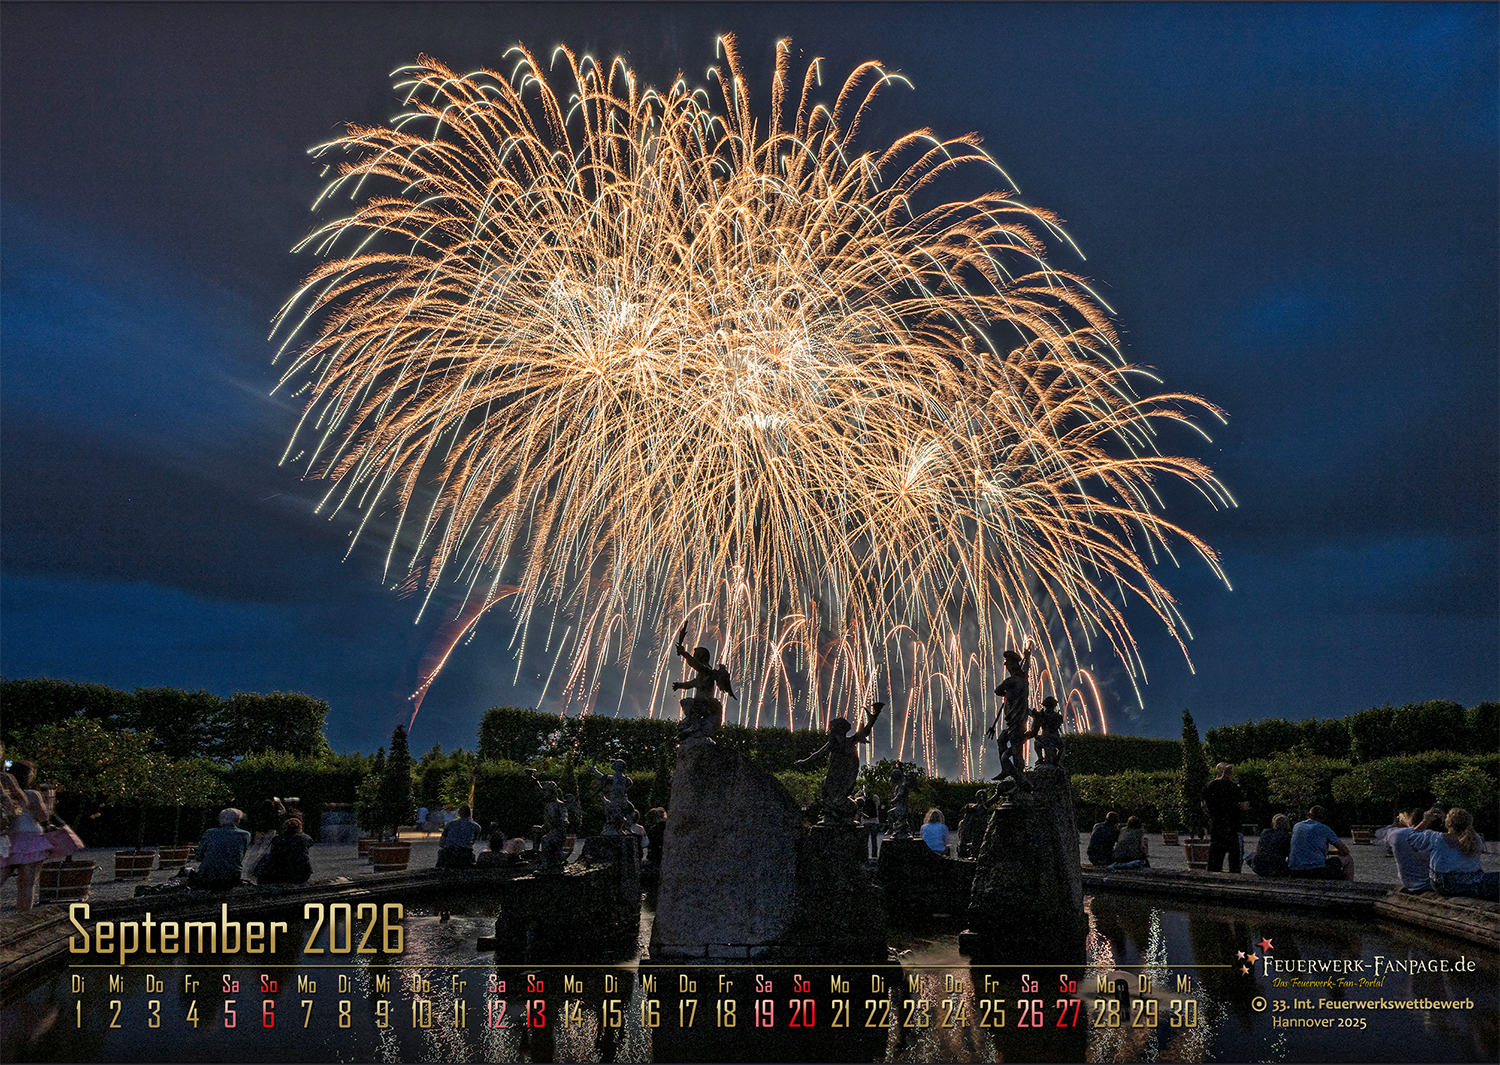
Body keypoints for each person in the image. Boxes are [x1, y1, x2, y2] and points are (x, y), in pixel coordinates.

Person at [795, 702, 883, 822]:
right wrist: (805, 761)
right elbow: (819, 753)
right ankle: (832, 814)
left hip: (843, 776)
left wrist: (875, 715)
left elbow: (819, 754)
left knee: (836, 794)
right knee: (829, 790)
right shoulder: (838, 743)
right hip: (836, 774)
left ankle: (836, 814)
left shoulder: (847, 742)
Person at [1409, 808, 1500, 900]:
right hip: (1471, 884)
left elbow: (1411, 836)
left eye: (1447, 817)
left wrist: (1426, 820)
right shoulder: (1475, 838)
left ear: (1449, 823)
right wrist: (1449, 818)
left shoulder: (1436, 838)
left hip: (1443, 886)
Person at [2, 760, 55, 912]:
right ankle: (23, 917)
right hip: (31, 840)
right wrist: (49, 802)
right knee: (27, 884)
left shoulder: (5, 795)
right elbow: (43, 817)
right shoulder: (32, 795)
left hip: (9, 839)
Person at [986, 646, 1033, 793]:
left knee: (1015, 750)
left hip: (1016, 722)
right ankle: (1008, 770)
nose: (1006, 666)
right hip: (1014, 721)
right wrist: (1027, 657)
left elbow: (998, 690)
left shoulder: (1012, 681)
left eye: (1008, 663)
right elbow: (1026, 668)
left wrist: (1006, 693)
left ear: (1013, 665)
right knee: (1002, 741)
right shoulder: (1022, 679)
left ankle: (1020, 780)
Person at [1202, 763, 1249, 873]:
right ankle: (1234, 879)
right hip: (1232, 825)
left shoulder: (1211, 786)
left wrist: (1213, 814)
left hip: (1217, 825)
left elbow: (1204, 805)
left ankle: (1213, 877)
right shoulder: (1234, 787)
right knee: (1234, 859)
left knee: (1215, 857)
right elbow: (1244, 805)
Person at [190, 808, 251, 890]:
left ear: (222, 819)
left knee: (187, 871)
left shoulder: (210, 833)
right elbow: (240, 856)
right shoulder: (245, 835)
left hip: (208, 875)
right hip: (232, 876)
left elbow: (199, 856)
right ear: (237, 820)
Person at [1287, 806, 1352, 880]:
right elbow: (1345, 850)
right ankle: (1349, 885)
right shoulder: (1325, 829)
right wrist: (1331, 852)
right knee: (1348, 859)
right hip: (1316, 871)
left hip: (1294, 870)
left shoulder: (1296, 826)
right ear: (1323, 818)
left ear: (1308, 815)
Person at [1389, 807, 1442, 892]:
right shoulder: (1436, 839)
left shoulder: (1397, 835)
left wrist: (1425, 821)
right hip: (1431, 885)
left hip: (1410, 884)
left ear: (1412, 819)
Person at [255, 818, 313, 885]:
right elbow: (310, 842)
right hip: (300, 872)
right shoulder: (304, 839)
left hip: (280, 873)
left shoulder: (278, 840)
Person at [436, 804, 480, 868]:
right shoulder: (476, 827)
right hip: (465, 853)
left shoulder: (450, 824)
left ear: (459, 813)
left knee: (441, 853)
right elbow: (472, 842)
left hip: (449, 852)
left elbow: (441, 843)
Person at [858, 791, 883, 859]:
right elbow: (878, 806)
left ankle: (865, 855)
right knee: (874, 840)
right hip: (874, 821)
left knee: (865, 840)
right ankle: (874, 855)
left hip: (865, 822)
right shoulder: (875, 798)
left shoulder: (862, 799)